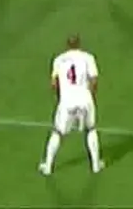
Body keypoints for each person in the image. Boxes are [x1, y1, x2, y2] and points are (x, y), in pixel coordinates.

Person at [39, 35, 103, 175]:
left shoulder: (59, 60)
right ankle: (96, 165)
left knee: (58, 132)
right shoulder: (88, 58)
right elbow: (94, 80)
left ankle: (48, 167)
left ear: (67, 45)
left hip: (67, 101)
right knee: (90, 129)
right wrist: (90, 97)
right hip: (85, 98)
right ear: (79, 44)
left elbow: (54, 83)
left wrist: (60, 98)